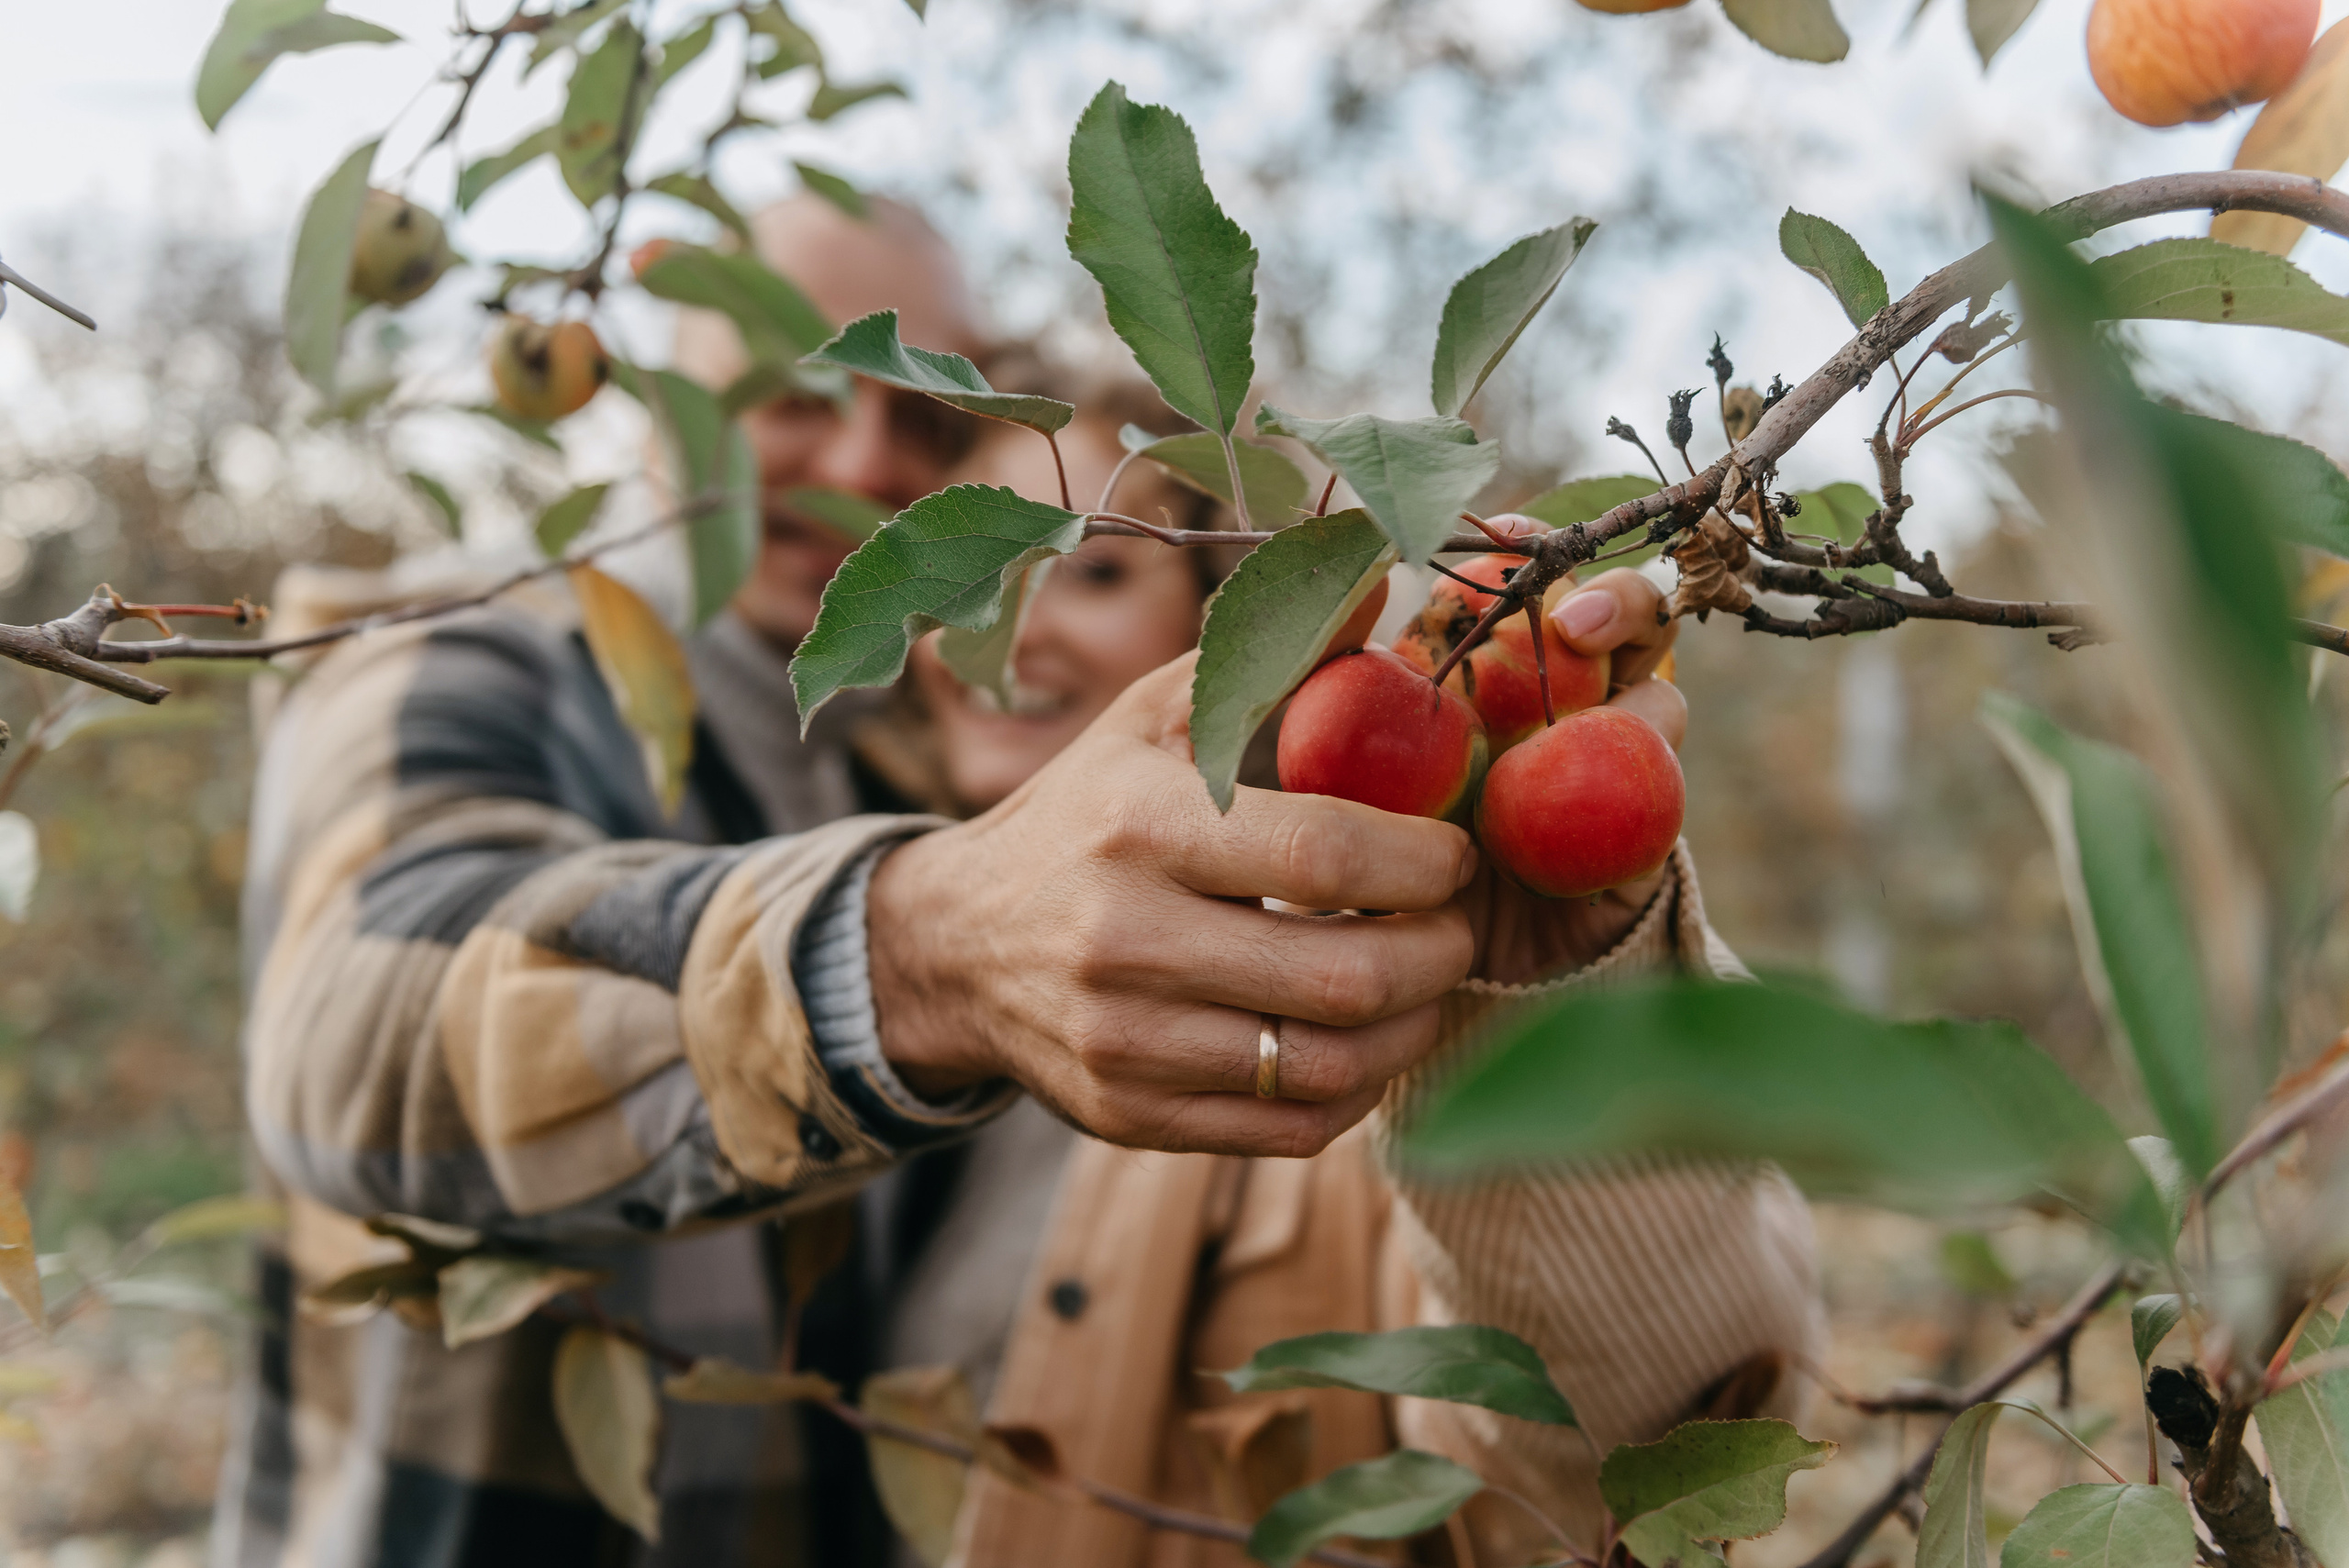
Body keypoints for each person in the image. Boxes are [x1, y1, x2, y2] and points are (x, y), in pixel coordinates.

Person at [208, 190, 1809, 1568]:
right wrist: (917, 955)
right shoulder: (479, 655)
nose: (861, 456)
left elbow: (1604, 1451)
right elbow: (356, 1023)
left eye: (921, 424)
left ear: (1236, 632)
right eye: (795, 393)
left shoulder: (1296, 982)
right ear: (666, 397)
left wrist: (1536, 966)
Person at [863, 416, 1819, 1565]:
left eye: (1101, 570)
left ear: (1253, 620)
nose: (1013, 628)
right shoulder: (854, 909)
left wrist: (1545, 1004)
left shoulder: (1367, 1010)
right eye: (985, 580)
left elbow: (1610, 1468)